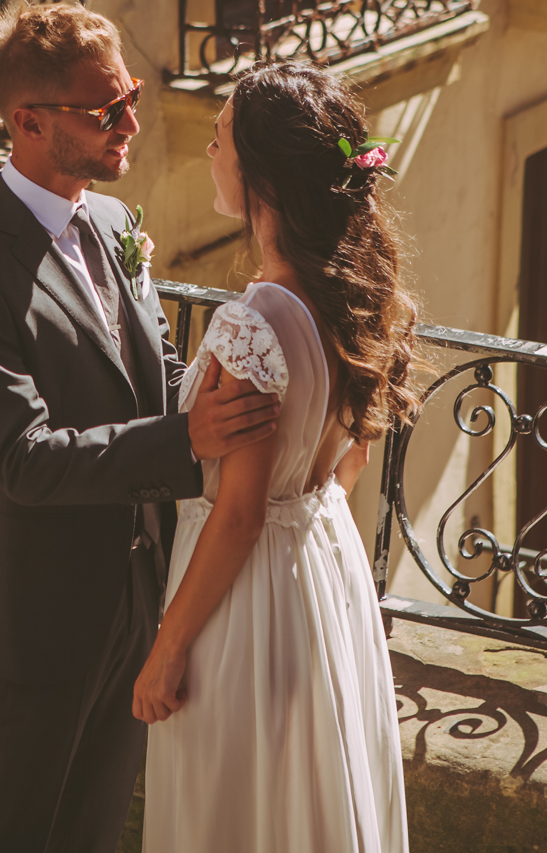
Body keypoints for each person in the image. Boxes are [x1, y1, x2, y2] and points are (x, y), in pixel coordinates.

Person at [0, 1, 283, 853]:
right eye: (105, 109)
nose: (130, 121)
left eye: (129, 98)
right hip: (42, 612)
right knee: (13, 830)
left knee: (93, 829)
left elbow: (154, 376)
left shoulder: (116, 224)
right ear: (29, 122)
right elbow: (21, 459)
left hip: (143, 592)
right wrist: (185, 442)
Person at [135, 60, 416, 851]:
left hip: (246, 605)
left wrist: (167, 649)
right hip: (323, 581)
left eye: (218, 139)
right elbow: (346, 467)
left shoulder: (254, 321)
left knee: (235, 812)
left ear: (257, 171)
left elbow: (241, 511)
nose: (209, 155)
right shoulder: (351, 299)